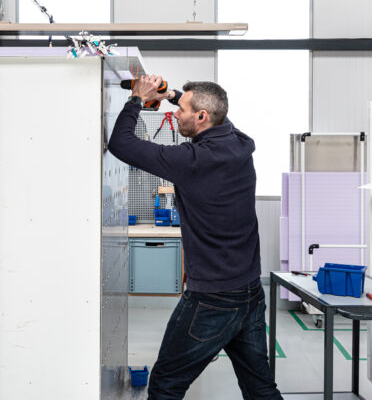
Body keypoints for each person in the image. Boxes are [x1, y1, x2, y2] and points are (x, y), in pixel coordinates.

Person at [108, 75, 282, 400]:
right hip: (249, 292)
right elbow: (218, 114)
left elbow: (120, 144)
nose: (175, 114)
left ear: (201, 117)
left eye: (182, 109)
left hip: (212, 299)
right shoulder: (240, 143)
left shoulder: (191, 161)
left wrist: (136, 99)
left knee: (165, 385)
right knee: (261, 388)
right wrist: (173, 94)